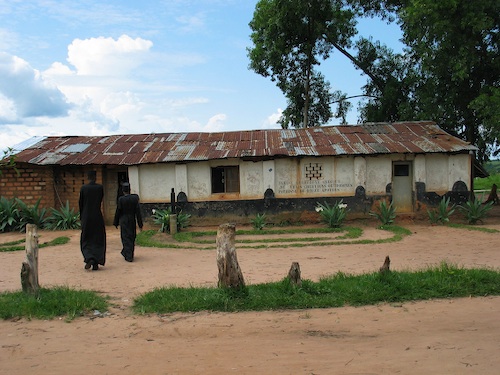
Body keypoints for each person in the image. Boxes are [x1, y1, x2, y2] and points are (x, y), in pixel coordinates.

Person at [79, 170, 106, 270]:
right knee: (98, 238)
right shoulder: (100, 188)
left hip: (86, 216)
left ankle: (89, 257)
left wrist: (82, 217)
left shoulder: (83, 188)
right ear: (95, 177)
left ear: (88, 177)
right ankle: (96, 261)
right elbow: (100, 199)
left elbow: (81, 204)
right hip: (97, 216)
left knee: (86, 238)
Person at [113, 182, 143, 262]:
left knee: (125, 237)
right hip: (132, 219)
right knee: (132, 236)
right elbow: (138, 212)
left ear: (123, 191)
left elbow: (118, 211)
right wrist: (140, 224)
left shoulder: (121, 200)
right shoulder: (135, 198)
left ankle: (128, 255)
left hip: (124, 220)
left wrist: (115, 222)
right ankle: (129, 253)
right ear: (130, 189)